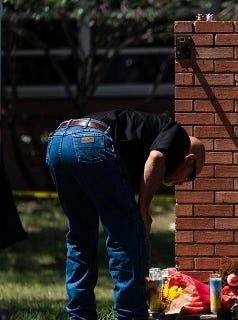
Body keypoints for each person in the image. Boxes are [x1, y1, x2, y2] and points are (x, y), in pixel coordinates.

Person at [45, 109, 205, 320]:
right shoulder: (178, 136)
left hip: (58, 142)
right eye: (189, 178)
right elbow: (156, 157)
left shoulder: (136, 149)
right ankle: (131, 316)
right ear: (189, 159)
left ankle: (79, 316)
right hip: (91, 141)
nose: (182, 183)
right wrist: (143, 211)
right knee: (126, 237)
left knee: (80, 238)